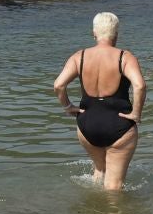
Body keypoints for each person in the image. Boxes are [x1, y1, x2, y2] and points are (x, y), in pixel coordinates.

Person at [51, 11, 145, 190]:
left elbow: (58, 85)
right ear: (116, 34)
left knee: (99, 171)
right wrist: (136, 114)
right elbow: (139, 86)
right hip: (118, 125)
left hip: (87, 125)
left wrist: (68, 106)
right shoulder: (125, 57)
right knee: (114, 186)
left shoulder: (80, 56)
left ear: (94, 33)